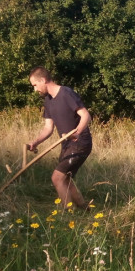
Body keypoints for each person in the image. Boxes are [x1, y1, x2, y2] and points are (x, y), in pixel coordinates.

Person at [27, 66, 92, 210]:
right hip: (67, 144)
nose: (35, 89)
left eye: (35, 85)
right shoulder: (48, 101)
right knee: (66, 178)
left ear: (43, 80)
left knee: (57, 178)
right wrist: (36, 142)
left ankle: (68, 214)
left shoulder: (66, 93)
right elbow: (48, 128)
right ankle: (84, 209)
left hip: (80, 142)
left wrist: (77, 132)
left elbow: (86, 115)